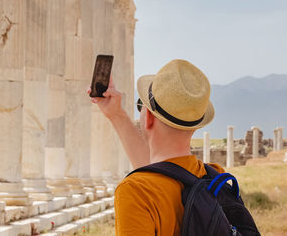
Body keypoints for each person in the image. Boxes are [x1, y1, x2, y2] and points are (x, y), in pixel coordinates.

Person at [88, 59, 226, 236]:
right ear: (195, 125)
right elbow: (163, 171)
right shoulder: (215, 177)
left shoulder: (136, 192)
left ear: (149, 119)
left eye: (141, 106)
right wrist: (116, 115)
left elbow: (158, 177)